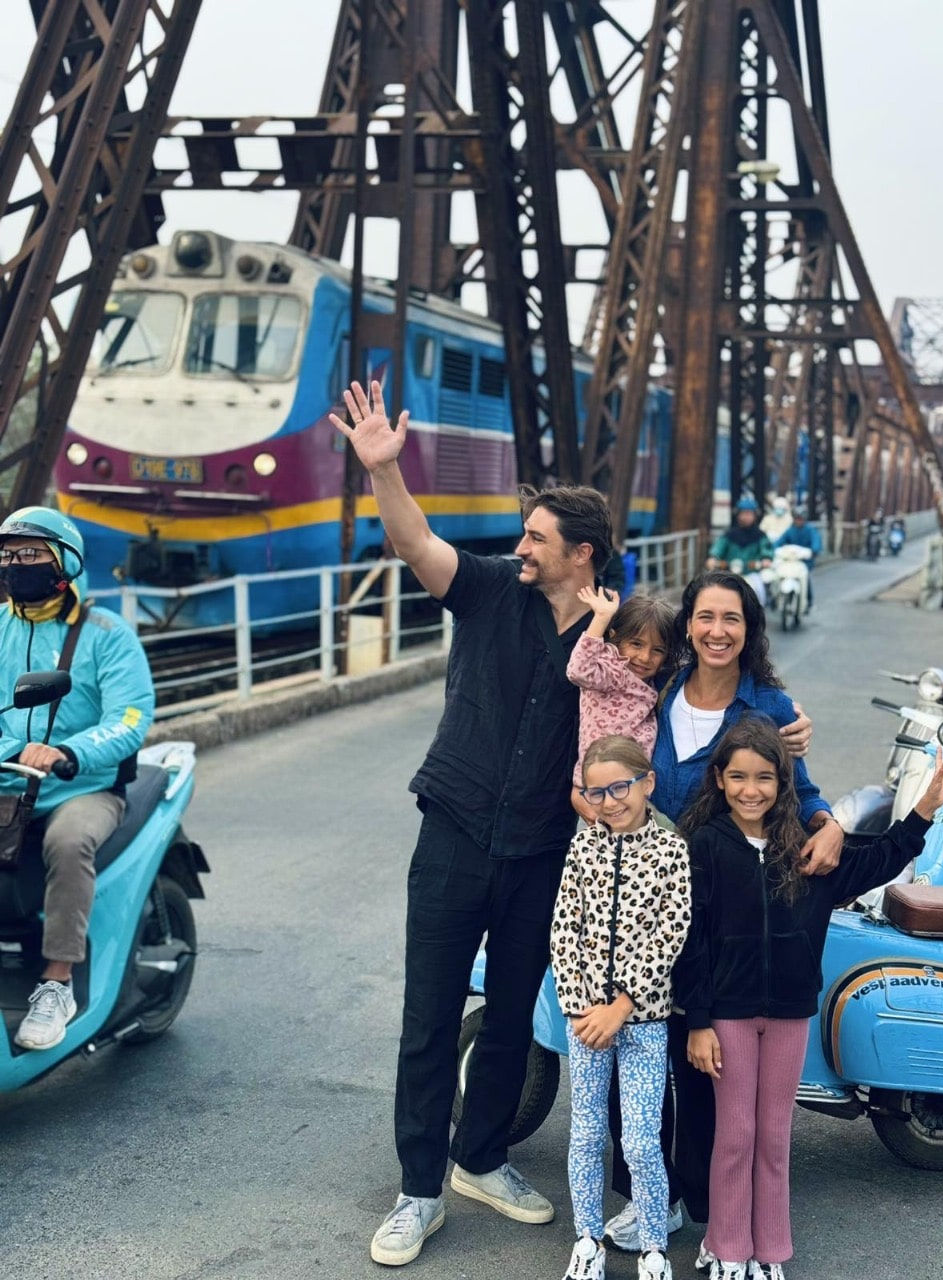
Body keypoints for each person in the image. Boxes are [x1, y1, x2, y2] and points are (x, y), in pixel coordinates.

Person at [330, 382, 614, 1268]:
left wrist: (777, 727)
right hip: (454, 831)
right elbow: (415, 544)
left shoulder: (617, 632)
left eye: (537, 538)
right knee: (429, 1016)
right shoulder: (491, 589)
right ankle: (419, 1190)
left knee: (512, 1020)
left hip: (545, 851)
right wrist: (384, 471)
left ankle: (482, 1159)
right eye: (523, 534)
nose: (521, 546)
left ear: (582, 554)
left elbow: (685, 698)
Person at [603, 569, 838, 1251]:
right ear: (688, 626)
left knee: (702, 1059)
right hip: (644, 898)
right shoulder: (656, 687)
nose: (716, 631)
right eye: (704, 617)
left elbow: (800, 790)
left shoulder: (768, 704)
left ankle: (700, 1197)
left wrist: (828, 823)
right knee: (633, 1052)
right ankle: (648, 1191)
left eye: (731, 618)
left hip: (720, 905)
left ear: (749, 628)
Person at [675, 718, 943, 1280]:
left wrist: (925, 809)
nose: (751, 789)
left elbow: (880, 859)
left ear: (783, 783)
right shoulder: (703, 846)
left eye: (764, 777)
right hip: (727, 1016)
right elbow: (691, 941)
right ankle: (726, 1246)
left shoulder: (810, 852)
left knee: (773, 1136)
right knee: (735, 1136)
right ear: (719, 779)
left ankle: (769, 1251)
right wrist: (698, 1021)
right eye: (738, 777)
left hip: (788, 1015)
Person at [0, 507, 154, 1050]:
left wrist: (70, 751)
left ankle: (57, 981)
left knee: (69, 841)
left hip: (82, 787)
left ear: (65, 562)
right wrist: (14, 749)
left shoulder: (106, 635)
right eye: (7, 556)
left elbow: (131, 716)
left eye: (31, 554)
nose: (15, 565)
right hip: (9, 780)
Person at [551, 735, 691, 1280]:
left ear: (646, 783)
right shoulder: (582, 848)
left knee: (640, 1140)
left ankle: (654, 1247)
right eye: (596, 792)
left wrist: (622, 1005)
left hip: (645, 1022)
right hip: (587, 1021)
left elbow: (670, 934)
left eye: (620, 788)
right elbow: (564, 929)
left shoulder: (671, 850)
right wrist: (581, 1008)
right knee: (586, 1134)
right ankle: (587, 1241)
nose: (609, 802)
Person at [566, 587, 674, 823]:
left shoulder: (652, 681)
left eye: (658, 650)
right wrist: (601, 618)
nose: (645, 657)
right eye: (636, 644)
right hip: (601, 792)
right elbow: (578, 670)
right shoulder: (611, 669)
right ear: (615, 637)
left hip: (631, 792)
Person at [706, 499, 774, 606]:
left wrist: (766, 559)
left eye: (749, 513)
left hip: (752, 573)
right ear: (738, 515)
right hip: (729, 573)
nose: (746, 516)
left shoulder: (761, 536)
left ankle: (759, 612)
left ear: (755, 515)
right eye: (743, 513)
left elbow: (767, 550)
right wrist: (713, 558)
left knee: (760, 594)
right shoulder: (729, 535)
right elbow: (718, 548)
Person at [773, 508, 821, 610]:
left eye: (800, 519)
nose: (798, 521)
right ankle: (775, 597)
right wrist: (774, 548)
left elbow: (816, 542)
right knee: (779, 573)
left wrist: (814, 550)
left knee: (805, 578)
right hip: (790, 560)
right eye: (796, 519)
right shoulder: (790, 530)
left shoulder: (810, 530)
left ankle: (808, 601)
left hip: (805, 561)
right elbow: (780, 541)